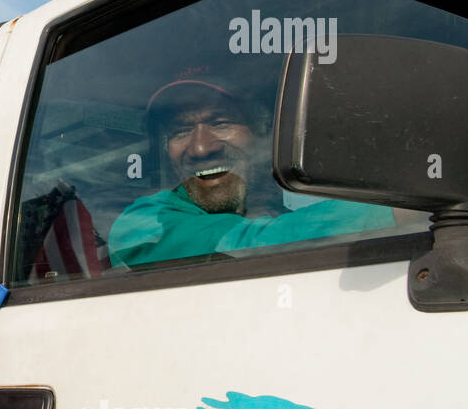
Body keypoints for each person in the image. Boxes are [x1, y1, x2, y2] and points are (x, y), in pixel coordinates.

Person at [108, 70, 394, 267]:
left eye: (220, 123)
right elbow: (251, 244)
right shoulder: (141, 226)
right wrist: (397, 211)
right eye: (181, 131)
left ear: (264, 134)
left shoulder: (278, 217)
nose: (200, 148)